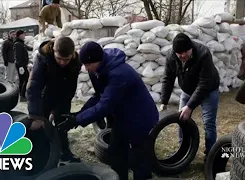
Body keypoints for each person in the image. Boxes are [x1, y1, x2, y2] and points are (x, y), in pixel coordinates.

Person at [63, 41, 159, 180]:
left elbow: (105, 105)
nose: (86, 68)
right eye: (84, 64)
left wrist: (77, 120)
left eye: (89, 64)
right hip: (122, 116)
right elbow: (99, 96)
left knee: (140, 160)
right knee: (116, 152)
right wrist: (78, 115)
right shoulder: (96, 70)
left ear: (98, 60)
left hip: (140, 117)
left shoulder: (119, 73)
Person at [159, 33, 220, 161]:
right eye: (179, 53)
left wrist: (190, 106)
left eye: (185, 51)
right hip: (187, 90)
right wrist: (164, 101)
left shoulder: (203, 54)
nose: (182, 55)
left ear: (191, 47)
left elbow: (204, 83)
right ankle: (183, 151)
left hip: (208, 90)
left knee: (208, 123)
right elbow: (168, 78)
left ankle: (210, 156)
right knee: (182, 120)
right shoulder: (171, 56)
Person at [26, 36, 82, 163]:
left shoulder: (75, 62)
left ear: (72, 55)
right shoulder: (43, 57)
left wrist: (57, 111)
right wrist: (36, 116)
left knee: (62, 123)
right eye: (59, 59)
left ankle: (64, 152)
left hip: (62, 94)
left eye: (66, 59)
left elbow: (70, 89)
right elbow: (33, 86)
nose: (62, 62)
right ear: (53, 52)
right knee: (40, 125)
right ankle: (38, 153)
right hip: (44, 94)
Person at [13, 30, 33, 102]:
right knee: (25, 79)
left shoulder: (21, 43)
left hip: (23, 64)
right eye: (23, 34)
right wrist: (20, 66)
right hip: (20, 65)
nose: (24, 35)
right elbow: (17, 56)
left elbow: (29, 48)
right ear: (20, 35)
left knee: (22, 80)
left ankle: (21, 95)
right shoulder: (17, 44)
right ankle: (22, 96)